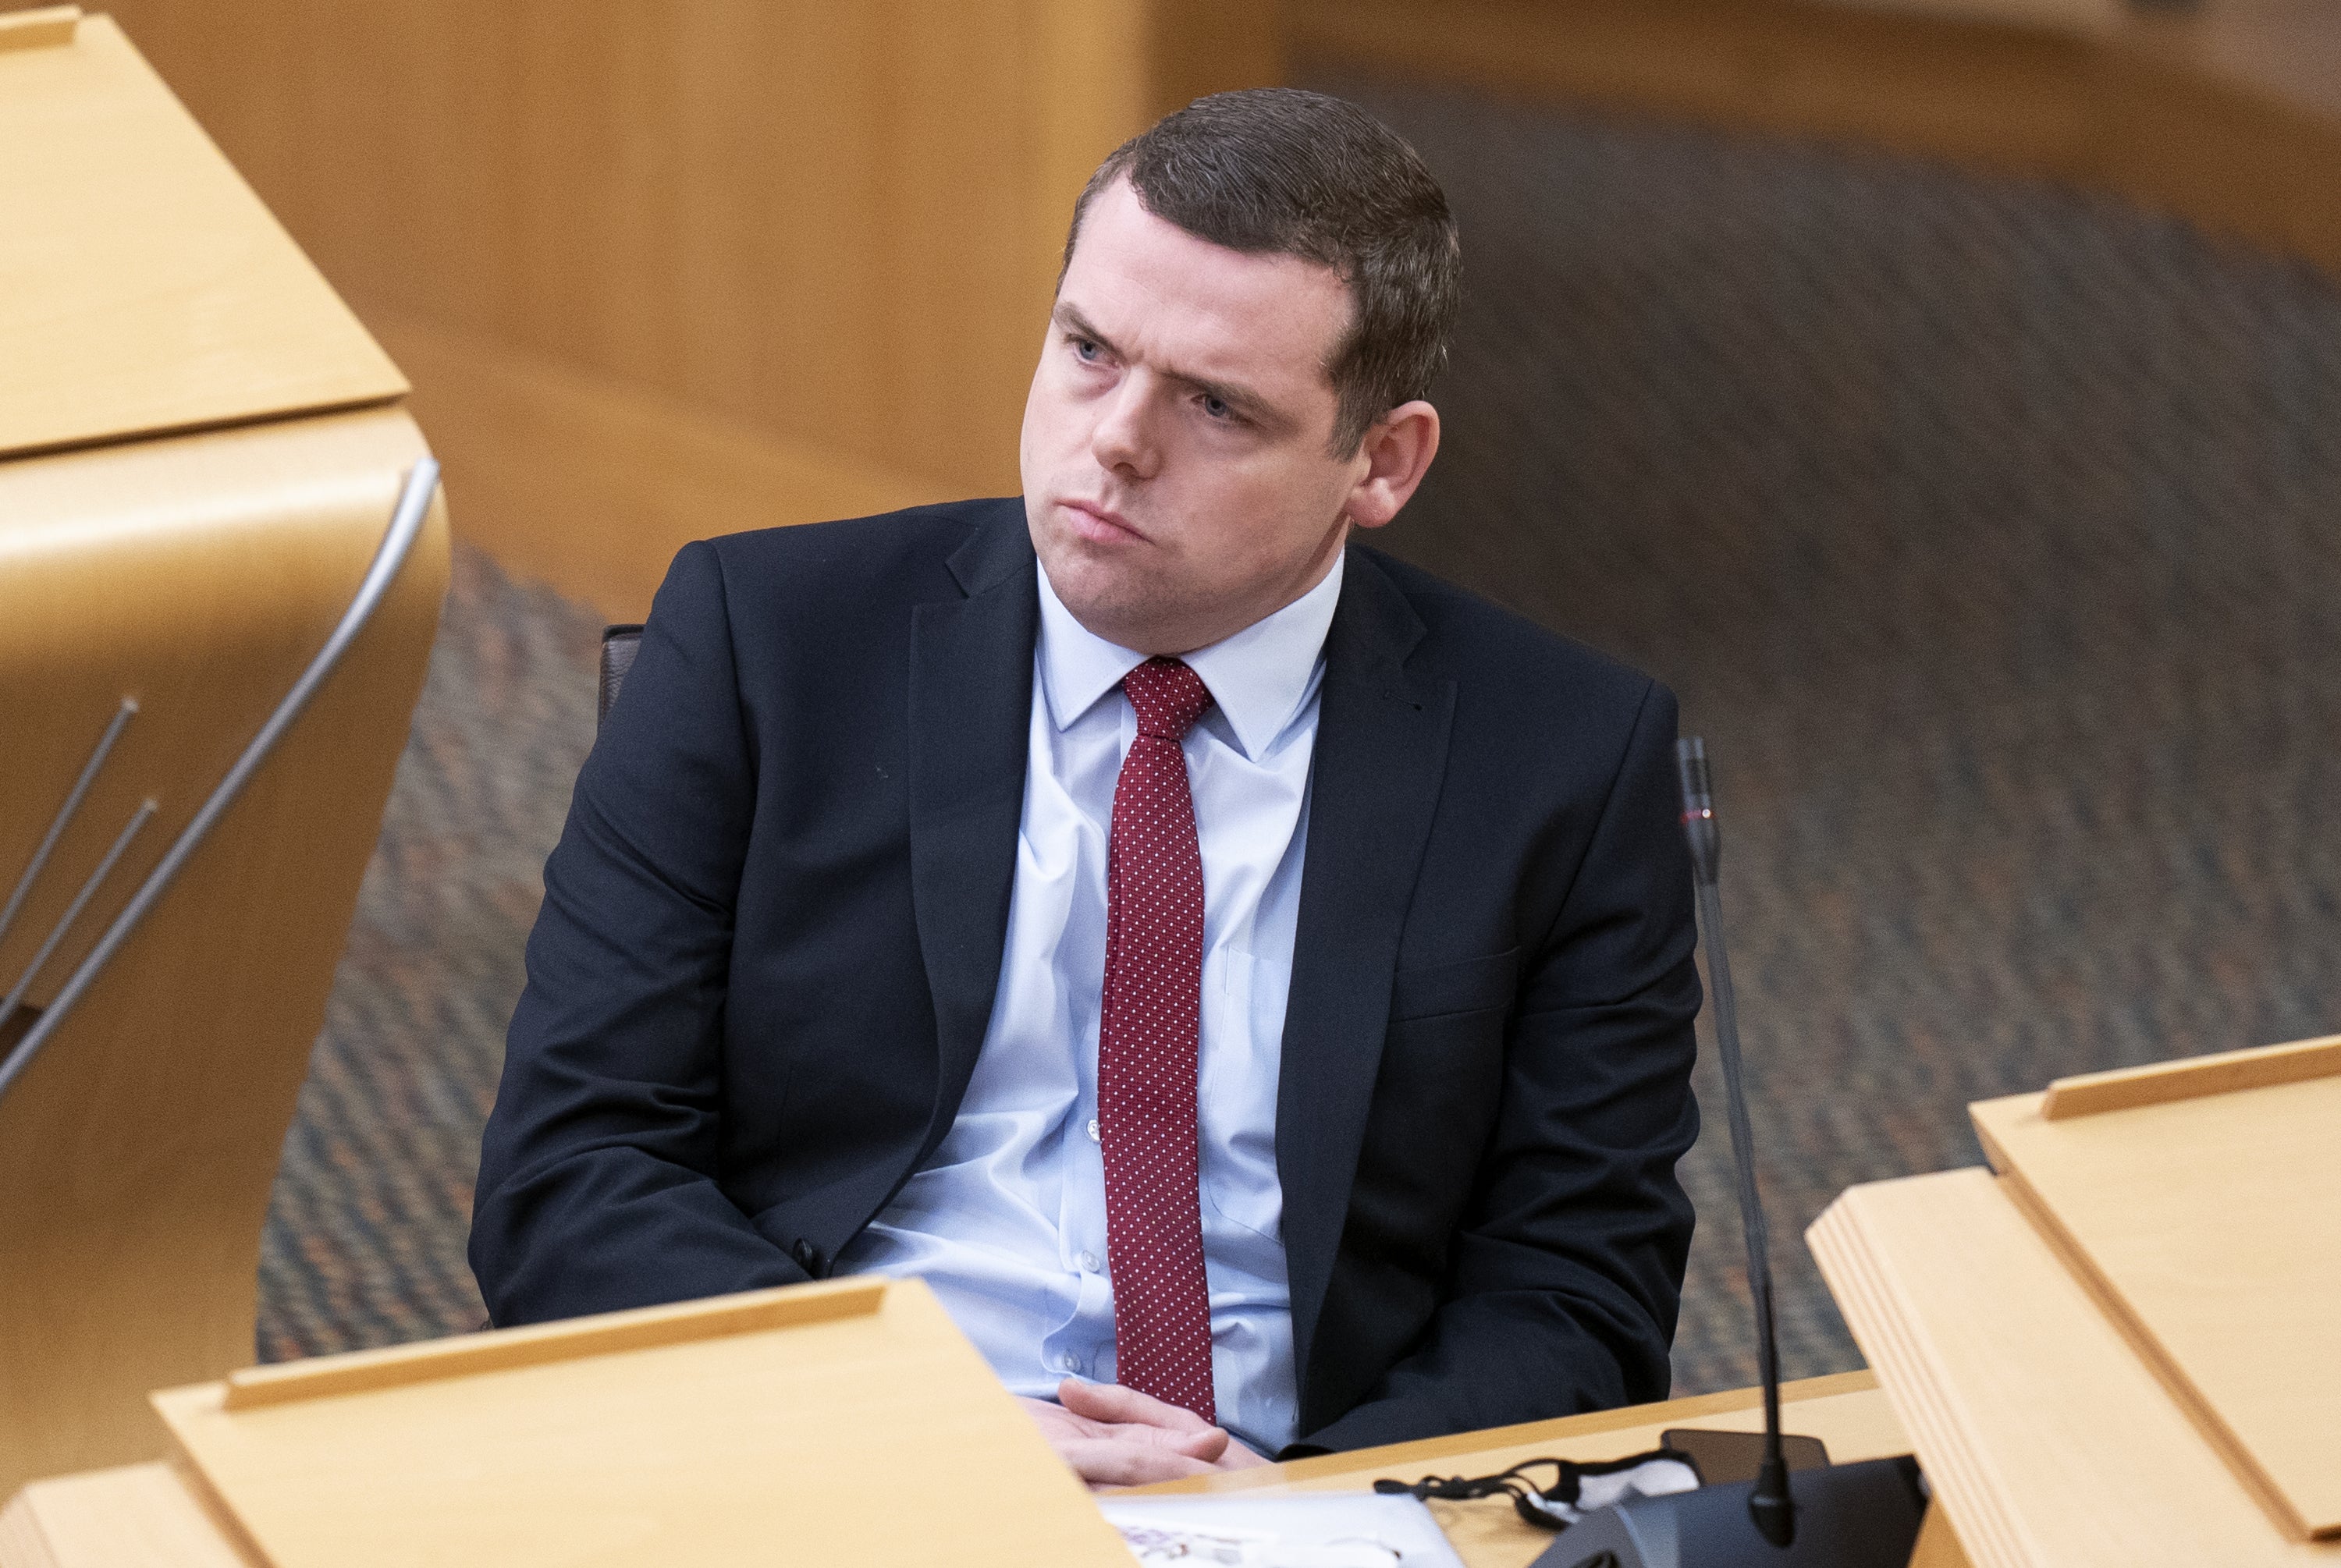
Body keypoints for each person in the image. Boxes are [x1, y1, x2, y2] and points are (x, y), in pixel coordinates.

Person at [471, 87, 1701, 1488]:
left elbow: (1575, 1289)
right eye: (1089, 350)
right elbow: (570, 1176)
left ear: (1382, 462)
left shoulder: (1567, 759)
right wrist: (913, 1430)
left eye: (1218, 405)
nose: (1116, 438)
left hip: (1287, 1494)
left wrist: (1306, 1507)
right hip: (852, 1462)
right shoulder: (766, 638)